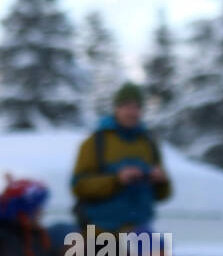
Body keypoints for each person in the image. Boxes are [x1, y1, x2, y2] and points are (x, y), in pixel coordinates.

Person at [70, 82, 171, 235]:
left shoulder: (149, 143)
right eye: (127, 106)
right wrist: (117, 180)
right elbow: (79, 186)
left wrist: (161, 181)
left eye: (137, 107)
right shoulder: (95, 142)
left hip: (140, 233)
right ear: (116, 108)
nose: (132, 112)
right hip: (101, 233)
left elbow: (163, 194)